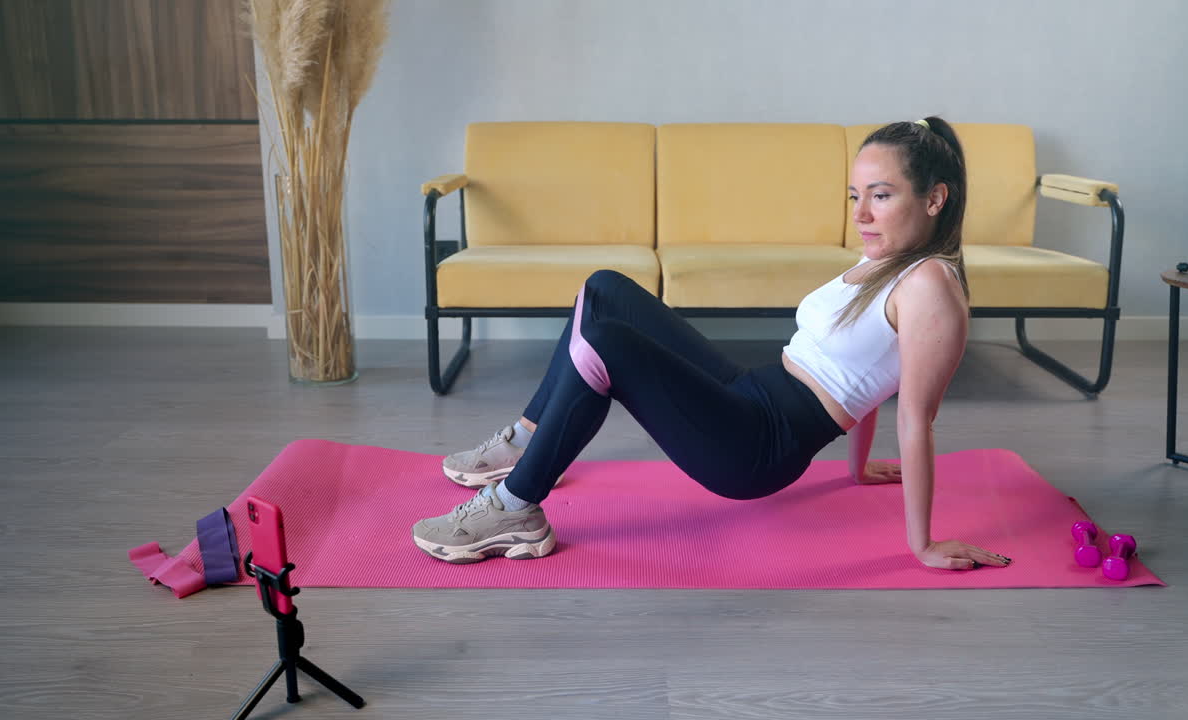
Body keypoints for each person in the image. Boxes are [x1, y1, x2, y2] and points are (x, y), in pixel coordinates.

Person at [412, 116, 1014, 572]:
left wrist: (923, 545)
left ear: (935, 198)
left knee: (605, 343)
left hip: (758, 446)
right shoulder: (891, 260)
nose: (862, 214)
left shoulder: (930, 288)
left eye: (881, 196)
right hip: (752, 391)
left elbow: (916, 416)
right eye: (855, 196)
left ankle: (516, 505)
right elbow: (871, 365)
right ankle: (526, 441)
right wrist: (858, 470)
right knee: (604, 291)